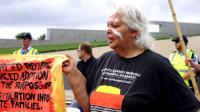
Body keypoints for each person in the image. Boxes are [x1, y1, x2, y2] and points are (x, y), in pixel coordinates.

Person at [63, 3, 200, 112]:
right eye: (107, 25)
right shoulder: (105, 59)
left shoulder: (158, 65)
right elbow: (88, 106)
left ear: (135, 31)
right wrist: (72, 72)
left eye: (115, 25)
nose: (108, 30)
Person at [69, 42, 96, 112]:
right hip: (80, 97)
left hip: (92, 97)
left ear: (83, 51)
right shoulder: (79, 64)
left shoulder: (96, 63)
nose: (77, 52)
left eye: (78, 50)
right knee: (72, 109)